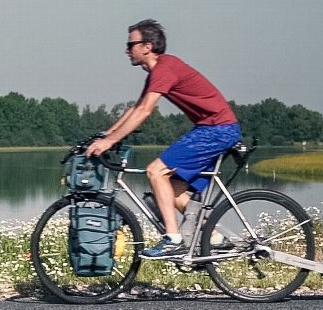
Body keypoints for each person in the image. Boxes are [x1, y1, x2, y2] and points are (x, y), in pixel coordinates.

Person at [85, 19, 242, 258]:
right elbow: (135, 108)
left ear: (147, 46)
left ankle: (173, 239)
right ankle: (214, 238)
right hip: (212, 129)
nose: (127, 50)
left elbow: (146, 111)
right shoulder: (159, 71)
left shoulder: (164, 69)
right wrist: (108, 134)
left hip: (217, 130)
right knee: (173, 190)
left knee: (156, 171)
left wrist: (109, 142)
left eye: (131, 45)